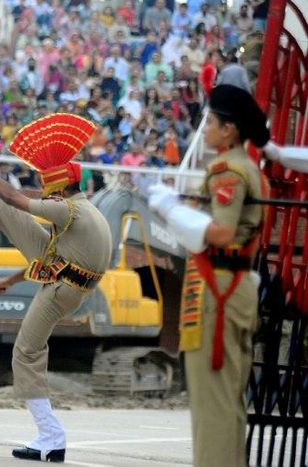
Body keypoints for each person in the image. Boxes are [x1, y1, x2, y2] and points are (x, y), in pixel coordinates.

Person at [0, 115, 112, 463]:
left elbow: (15, 196)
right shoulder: (84, 209)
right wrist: (11, 280)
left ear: (58, 188)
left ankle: (50, 435)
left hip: (62, 291)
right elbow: (56, 256)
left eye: (47, 187)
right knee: (19, 221)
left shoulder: (67, 211)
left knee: (26, 352)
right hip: (70, 283)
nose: (44, 192)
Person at [147, 84, 271, 467]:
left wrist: (170, 210)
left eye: (211, 122)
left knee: (212, 405)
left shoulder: (228, 171)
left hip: (218, 290)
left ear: (229, 130)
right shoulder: (247, 168)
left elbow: (221, 232)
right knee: (227, 401)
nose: (206, 129)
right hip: (231, 287)